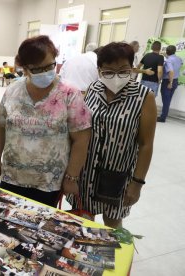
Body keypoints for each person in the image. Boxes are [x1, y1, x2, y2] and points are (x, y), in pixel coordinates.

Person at [0, 35, 92, 207]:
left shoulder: (69, 94)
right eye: (37, 69)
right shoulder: (13, 90)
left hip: (48, 182)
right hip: (12, 176)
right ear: (24, 68)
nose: (45, 72)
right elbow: (0, 126)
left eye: (49, 66)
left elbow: (81, 139)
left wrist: (72, 176)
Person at [69, 42, 156, 228]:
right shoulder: (93, 89)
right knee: (84, 221)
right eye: (108, 71)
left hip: (118, 174)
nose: (116, 77)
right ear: (99, 70)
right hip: (86, 173)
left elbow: (146, 144)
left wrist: (137, 183)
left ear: (132, 68)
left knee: (112, 223)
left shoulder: (144, 97)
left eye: (123, 70)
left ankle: (114, 257)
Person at [158, 45, 183, 122]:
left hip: (168, 81)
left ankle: (163, 117)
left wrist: (170, 82)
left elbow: (171, 71)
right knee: (168, 99)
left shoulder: (168, 60)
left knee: (166, 100)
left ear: (167, 51)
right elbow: (180, 64)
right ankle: (164, 115)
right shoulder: (178, 58)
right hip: (175, 81)